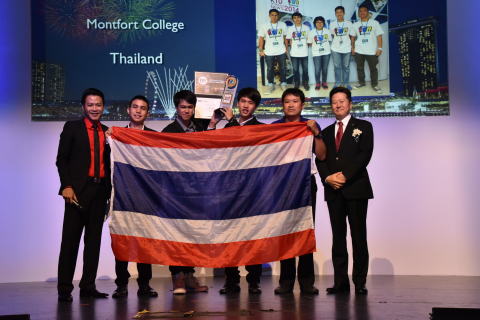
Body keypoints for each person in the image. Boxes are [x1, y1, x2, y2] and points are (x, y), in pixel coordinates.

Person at [317, 87, 373, 295]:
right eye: (334, 102)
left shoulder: (364, 127)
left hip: (356, 189)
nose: (338, 105)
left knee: (359, 237)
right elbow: (320, 158)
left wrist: (344, 176)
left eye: (341, 101)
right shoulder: (325, 132)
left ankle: (360, 282)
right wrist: (327, 177)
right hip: (334, 191)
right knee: (338, 237)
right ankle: (340, 282)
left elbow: (364, 155)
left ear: (350, 103)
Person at [56, 88, 111, 302]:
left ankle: (88, 286)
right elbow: (61, 160)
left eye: (98, 105)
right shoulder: (72, 128)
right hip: (76, 192)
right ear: (83, 107)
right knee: (70, 242)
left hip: (99, 193)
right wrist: (66, 186)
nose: (94, 108)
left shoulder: (106, 131)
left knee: (93, 243)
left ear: (103, 107)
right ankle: (64, 289)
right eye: (90, 104)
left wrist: (109, 195)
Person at [208, 87, 264, 294]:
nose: (245, 105)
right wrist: (214, 124)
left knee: (252, 237)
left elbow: (244, 144)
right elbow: (208, 146)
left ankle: (254, 281)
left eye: (250, 102)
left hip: (251, 191)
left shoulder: (260, 128)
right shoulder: (225, 127)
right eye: (242, 101)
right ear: (237, 102)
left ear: (255, 106)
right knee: (229, 236)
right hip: (228, 189)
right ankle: (231, 280)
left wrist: (231, 121)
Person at [272, 88, 326, 295]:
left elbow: (321, 156)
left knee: (305, 231)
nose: (291, 105)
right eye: (287, 101)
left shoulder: (310, 125)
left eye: (295, 101)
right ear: (282, 105)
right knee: (285, 233)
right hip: (282, 185)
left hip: (305, 183)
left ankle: (306, 282)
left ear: (302, 105)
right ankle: (285, 282)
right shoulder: (274, 128)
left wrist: (317, 134)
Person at [162, 90, 210, 294]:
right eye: (183, 107)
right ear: (176, 107)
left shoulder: (201, 127)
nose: (186, 111)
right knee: (176, 235)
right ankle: (177, 277)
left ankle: (190, 276)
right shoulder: (168, 131)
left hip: (197, 190)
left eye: (190, 107)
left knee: (193, 234)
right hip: (175, 191)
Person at [111, 95, 158, 299]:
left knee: (144, 243)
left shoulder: (156, 137)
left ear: (148, 113)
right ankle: (121, 284)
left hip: (146, 197)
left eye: (143, 108)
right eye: (135, 107)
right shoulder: (116, 135)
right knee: (122, 240)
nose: (139, 111)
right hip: (122, 196)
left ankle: (144, 285)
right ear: (128, 110)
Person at [352, 5, 384, 93]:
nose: (362, 13)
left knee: (373, 68)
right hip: (359, 50)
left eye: (364, 10)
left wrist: (380, 48)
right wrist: (353, 48)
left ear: (368, 12)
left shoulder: (374, 23)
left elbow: (379, 36)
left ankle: (375, 85)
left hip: (372, 50)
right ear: (358, 13)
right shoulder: (355, 25)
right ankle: (361, 82)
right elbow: (353, 37)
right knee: (359, 68)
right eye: (360, 11)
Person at [258, 9, 288, 94]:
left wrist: (286, 49)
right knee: (270, 69)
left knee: (282, 68)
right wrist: (261, 50)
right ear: (269, 16)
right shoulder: (264, 25)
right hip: (269, 51)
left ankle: (283, 83)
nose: (274, 17)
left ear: (278, 16)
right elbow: (261, 38)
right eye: (272, 15)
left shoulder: (283, 25)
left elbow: (285, 37)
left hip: (281, 50)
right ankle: (270, 84)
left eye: (276, 15)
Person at [330, 6, 355, 89]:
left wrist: (352, 47)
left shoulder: (349, 23)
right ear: (335, 14)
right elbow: (333, 36)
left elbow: (352, 36)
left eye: (340, 12)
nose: (339, 14)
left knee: (346, 67)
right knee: (337, 67)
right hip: (335, 49)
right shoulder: (332, 24)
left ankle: (346, 83)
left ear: (344, 13)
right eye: (337, 12)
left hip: (347, 48)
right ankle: (337, 83)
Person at [286, 12, 310, 90]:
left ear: (301, 18)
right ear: (293, 19)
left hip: (304, 52)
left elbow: (308, 39)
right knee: (295, 70)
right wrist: (289, 48)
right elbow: (288, 40)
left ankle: (305, 83)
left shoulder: (306, 28)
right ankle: (296, 83)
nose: (297, 19)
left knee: (305, 69)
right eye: (295, 18)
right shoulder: (290, 29)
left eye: (298, 17)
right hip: (294, 53)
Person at [308, 16, 332, 90]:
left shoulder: (327, 31)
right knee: (317, 69)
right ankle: (318, 83)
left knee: (325, 69)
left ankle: (324, 82)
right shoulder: (311, 32)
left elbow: (329, 40)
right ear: (315, 23)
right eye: (317, 22)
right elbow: (309, 43)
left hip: (326, 53)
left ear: (323, 23)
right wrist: (317, 46)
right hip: (316, 53)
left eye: (321, 22)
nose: (319, 23)